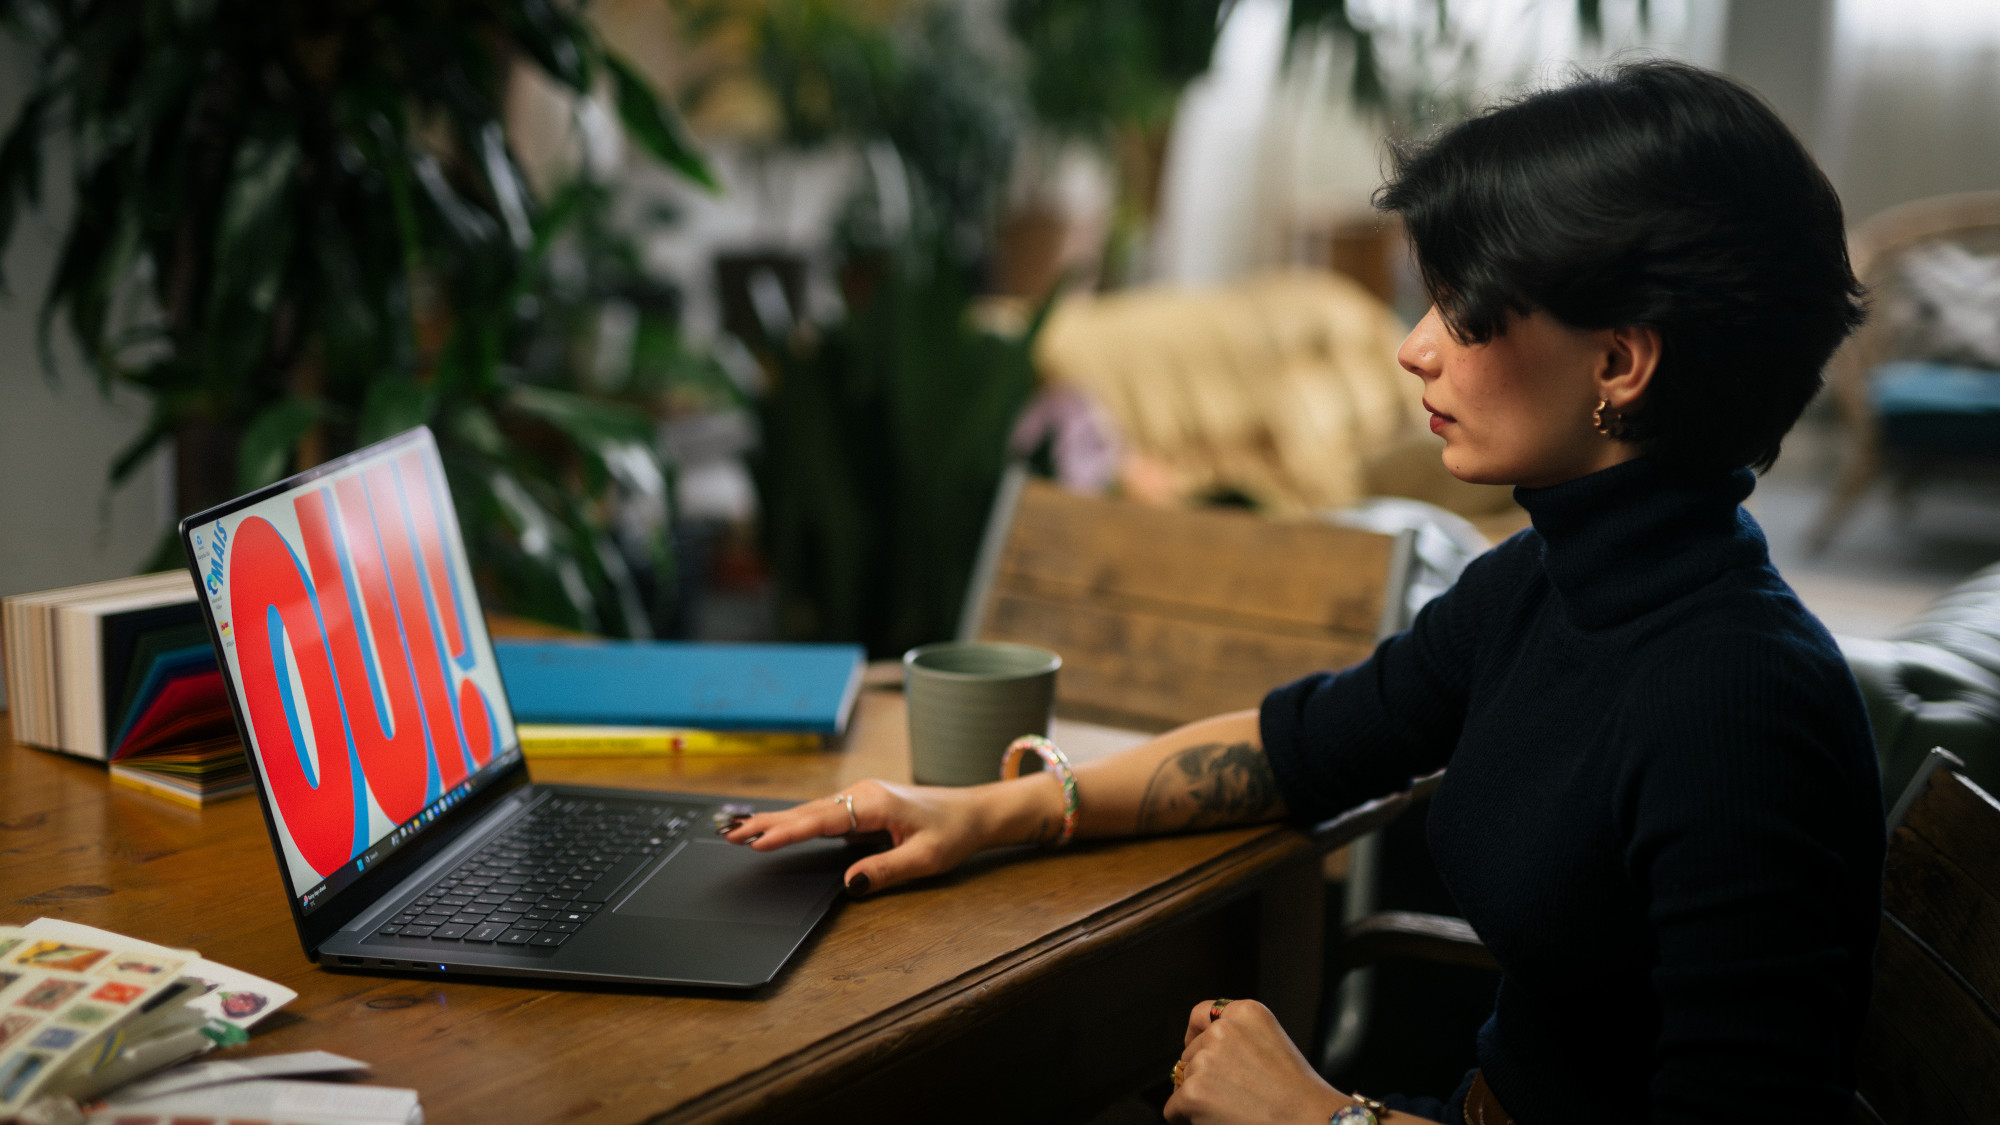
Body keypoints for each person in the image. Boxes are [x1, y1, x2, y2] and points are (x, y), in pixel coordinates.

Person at [721, 60, 1883, 1125]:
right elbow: (1304, 744)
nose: (1412, 347)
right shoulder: (1539, 582)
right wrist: (987, 812)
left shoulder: (1739, 710)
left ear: (1619, 363)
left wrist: (1323, 1119)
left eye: (1466, 311)